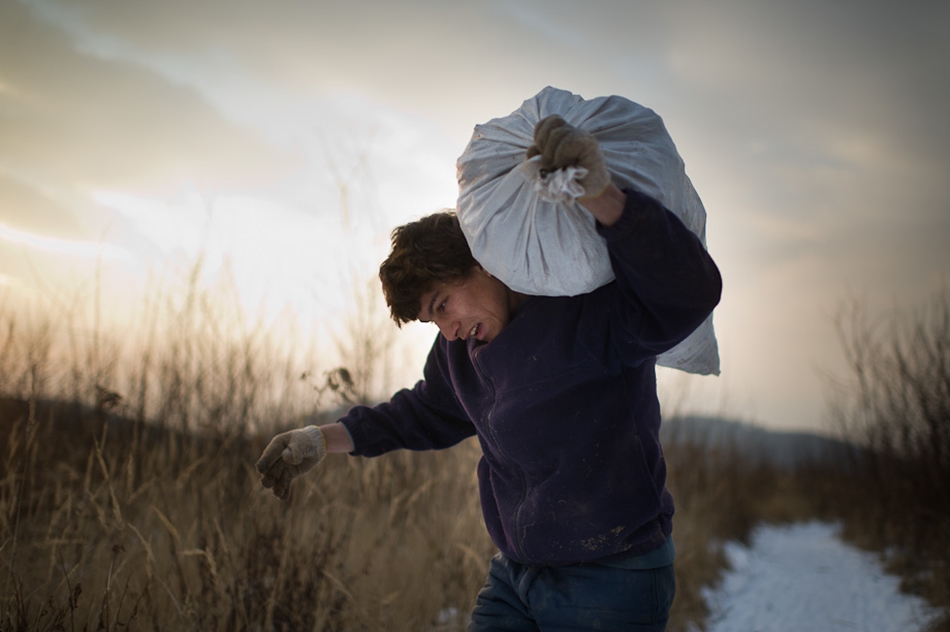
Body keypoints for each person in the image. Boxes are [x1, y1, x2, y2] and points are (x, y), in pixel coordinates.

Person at [256, 115, 723, 631]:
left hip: (612, 574)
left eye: (442, 305)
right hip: (517, 574)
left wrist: (601, 195)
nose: (449, 330)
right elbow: (425, 413)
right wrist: (320, 440)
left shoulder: (585, 315)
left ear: (481, 262)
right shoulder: (461, 350)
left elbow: (685, 295)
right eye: (434, 321)